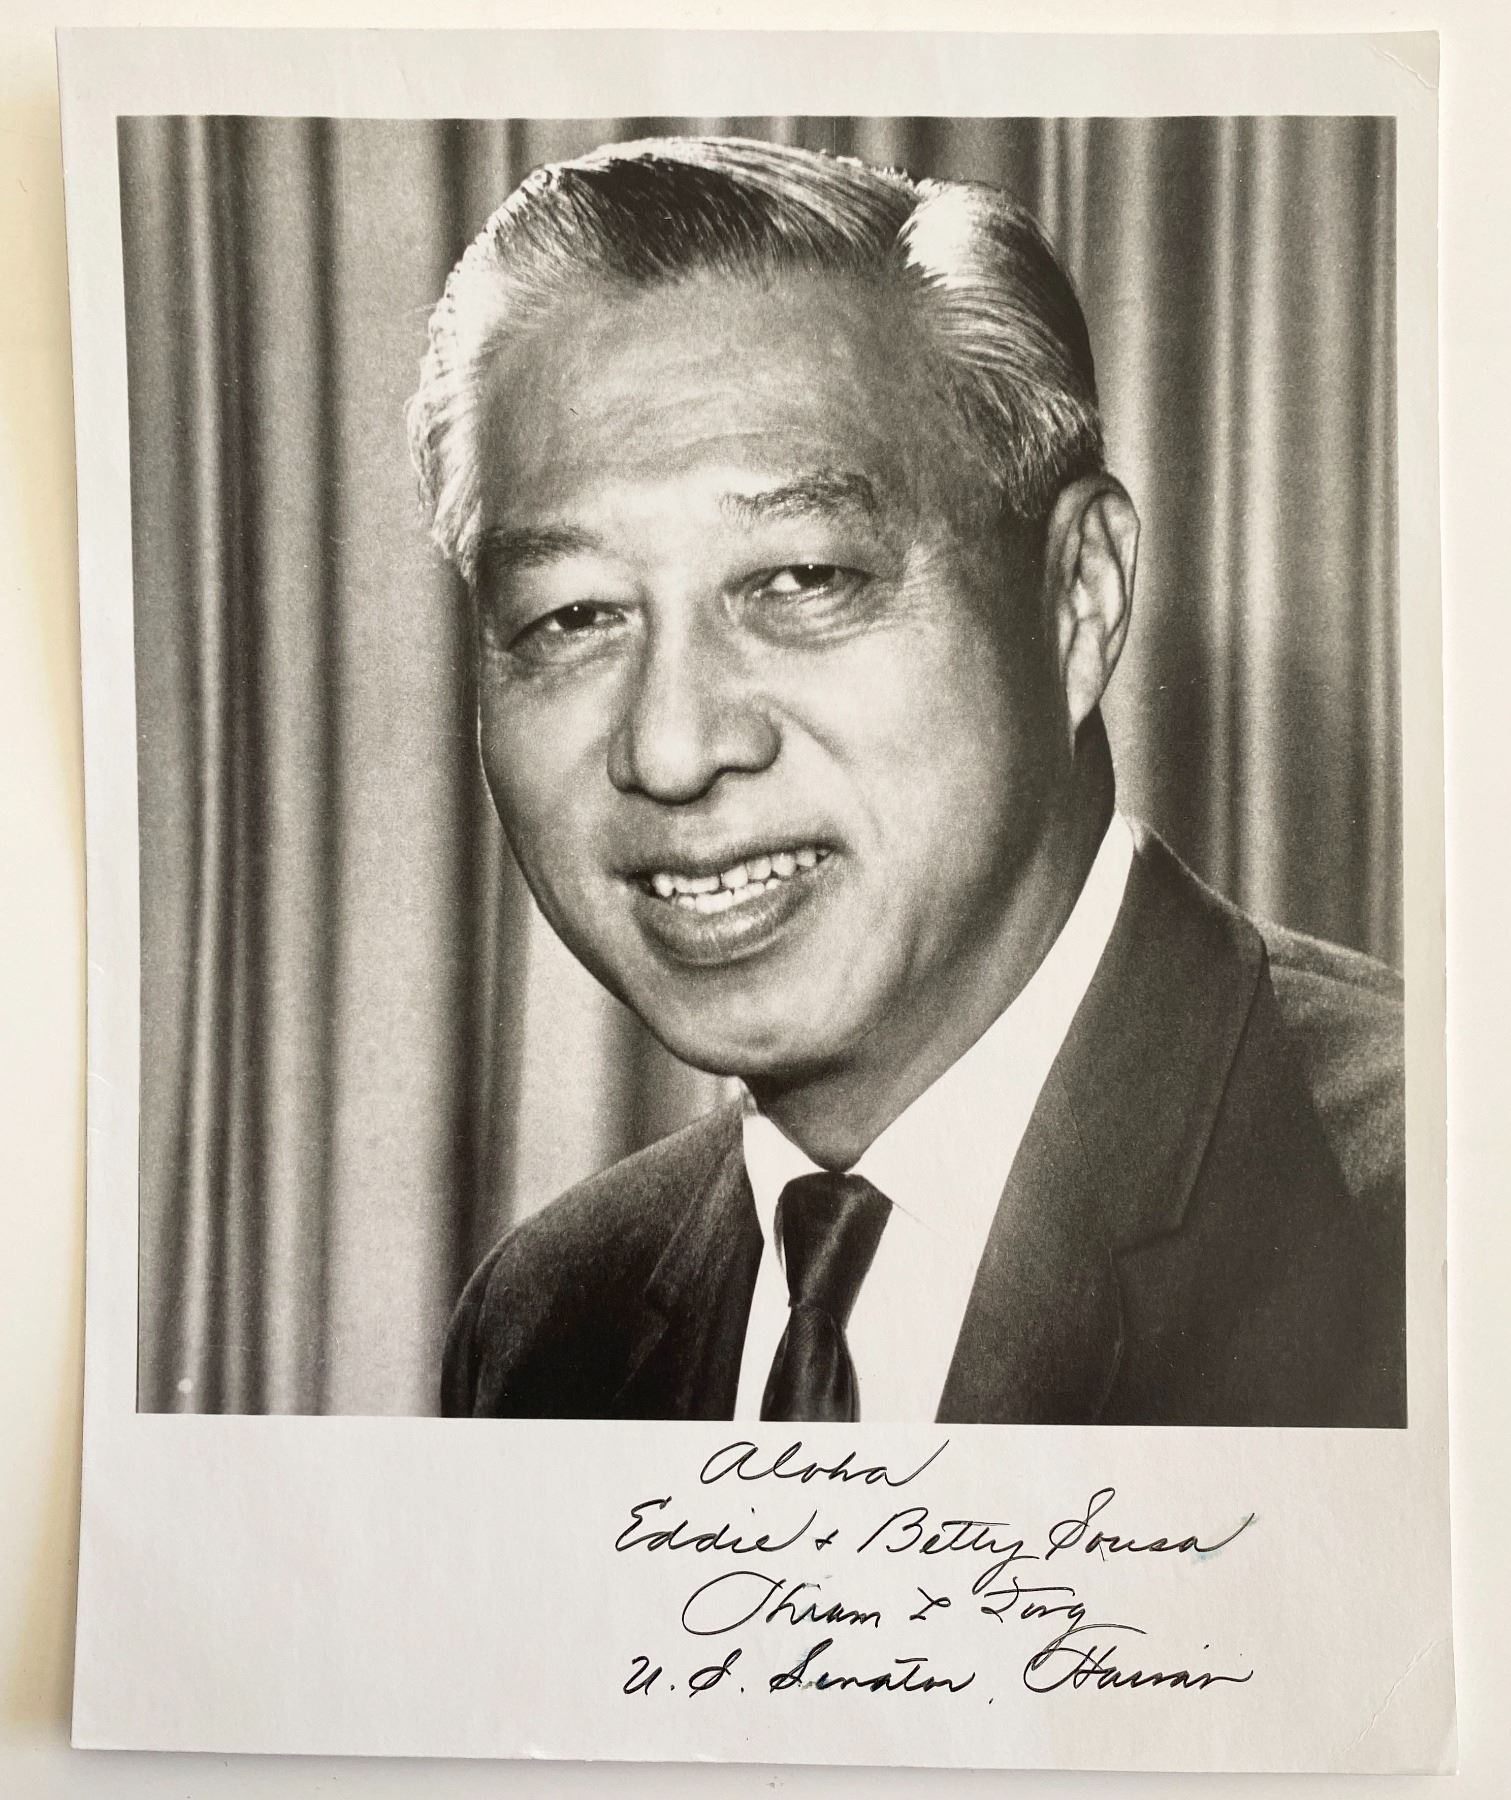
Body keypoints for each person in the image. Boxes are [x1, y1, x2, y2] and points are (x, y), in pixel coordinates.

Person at [407, 136, 1405, 1427]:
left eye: (801, 580)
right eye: (574, 615)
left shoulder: (1431, 1212)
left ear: (1077, 598)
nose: (671, 749)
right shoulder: (547, 1329)